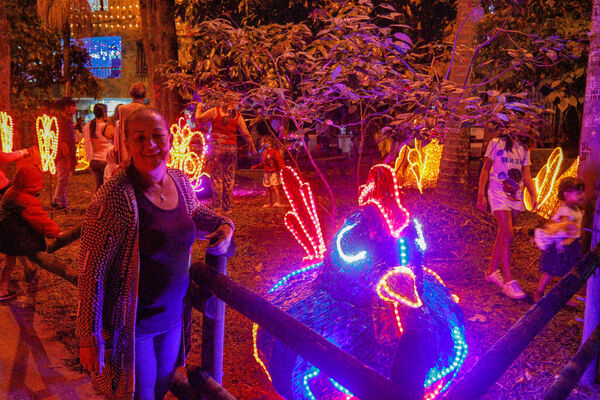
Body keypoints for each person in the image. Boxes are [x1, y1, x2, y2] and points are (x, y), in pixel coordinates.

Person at [76, 107, 234, 400]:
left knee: (161, 389)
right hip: (134, 326)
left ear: (169, 140)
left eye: (157, 136)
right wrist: (89, 335)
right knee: (140, 395)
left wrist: (224, 225)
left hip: (173, 320)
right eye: (140, 138)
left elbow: (194, 213)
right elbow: (91, 271)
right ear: (127, 143)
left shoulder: (180, 181)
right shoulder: (115, 196)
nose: (149, 145)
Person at [476, 134, 537, 299]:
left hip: (516, 195)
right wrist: (481, 193)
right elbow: (486, 168)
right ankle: (508, 281)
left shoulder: (524, 147)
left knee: (503, 234)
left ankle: (491, 271)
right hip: (497, 193)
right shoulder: (496, 143)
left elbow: (526, 173)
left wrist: (533, 193)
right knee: (508, 234)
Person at [0, 166, 63, 300]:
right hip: (17, 237)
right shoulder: (26, 200)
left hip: (5, 234)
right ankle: (4, 289)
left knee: (9, 262)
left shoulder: (11, 191)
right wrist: (56, 232)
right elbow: (40, 220)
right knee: (19, 257)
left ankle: (10, 284)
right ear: (33, 184)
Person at [196, 99, 257, 212]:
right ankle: (227, 207)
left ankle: (217, 206)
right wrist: (252, 147)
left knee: (216, 177)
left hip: (216, 149)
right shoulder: (238, 117)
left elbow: (199, 118)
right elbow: (246, 133)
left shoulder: (215, 111)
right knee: (229, 178)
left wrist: (199, 108)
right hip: (231, 149)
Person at [533, 178, 585, 303]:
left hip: (571, 245)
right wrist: (570, 227)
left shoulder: (576, 208)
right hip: (560, 247)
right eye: (578, 193)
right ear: (566, 195)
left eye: (582, 192)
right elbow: (564, 226)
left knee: (567, 272)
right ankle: (538, 292)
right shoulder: (565, 210)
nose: (582, 195)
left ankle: (563, 295)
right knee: (551, 271)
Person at [51, 96, 78, 210]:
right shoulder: (61, 122)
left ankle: (59, 201)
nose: (75, 109)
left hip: (65, 155)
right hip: (62, 156)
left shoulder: (67, 121)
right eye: (72, 106)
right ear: (66, 108)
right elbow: (63, 143)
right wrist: (68, 158)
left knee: (64, 178)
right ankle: (58, 201)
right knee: (63, 178)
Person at [113, 83, 147, 166]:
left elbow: (121, 131)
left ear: (131, 94)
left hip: (125, 149)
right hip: (142, 148)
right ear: (145, 95)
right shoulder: (146, 110)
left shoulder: (122, 109)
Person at [83, 104, 111, 190]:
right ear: (104, 113)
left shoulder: (88, 126)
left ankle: (97, 202)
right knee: (106, 187)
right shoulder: (108, 127)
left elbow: (87, 142)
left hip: (95, 161)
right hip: (106, 160)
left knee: (99, 186)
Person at [251, 136, 285, 208]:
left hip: (274, 173)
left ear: (269, 143)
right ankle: (270, 203)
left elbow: (280, 162)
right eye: (262, 142)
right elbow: (263, 163)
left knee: (274, 187)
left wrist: (284, 170)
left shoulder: (275, 152)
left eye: (264, 142)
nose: (262, 144)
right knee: (268, 188)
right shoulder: (264, 153)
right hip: (267, 173)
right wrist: (256, 166)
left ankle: (277, 202)